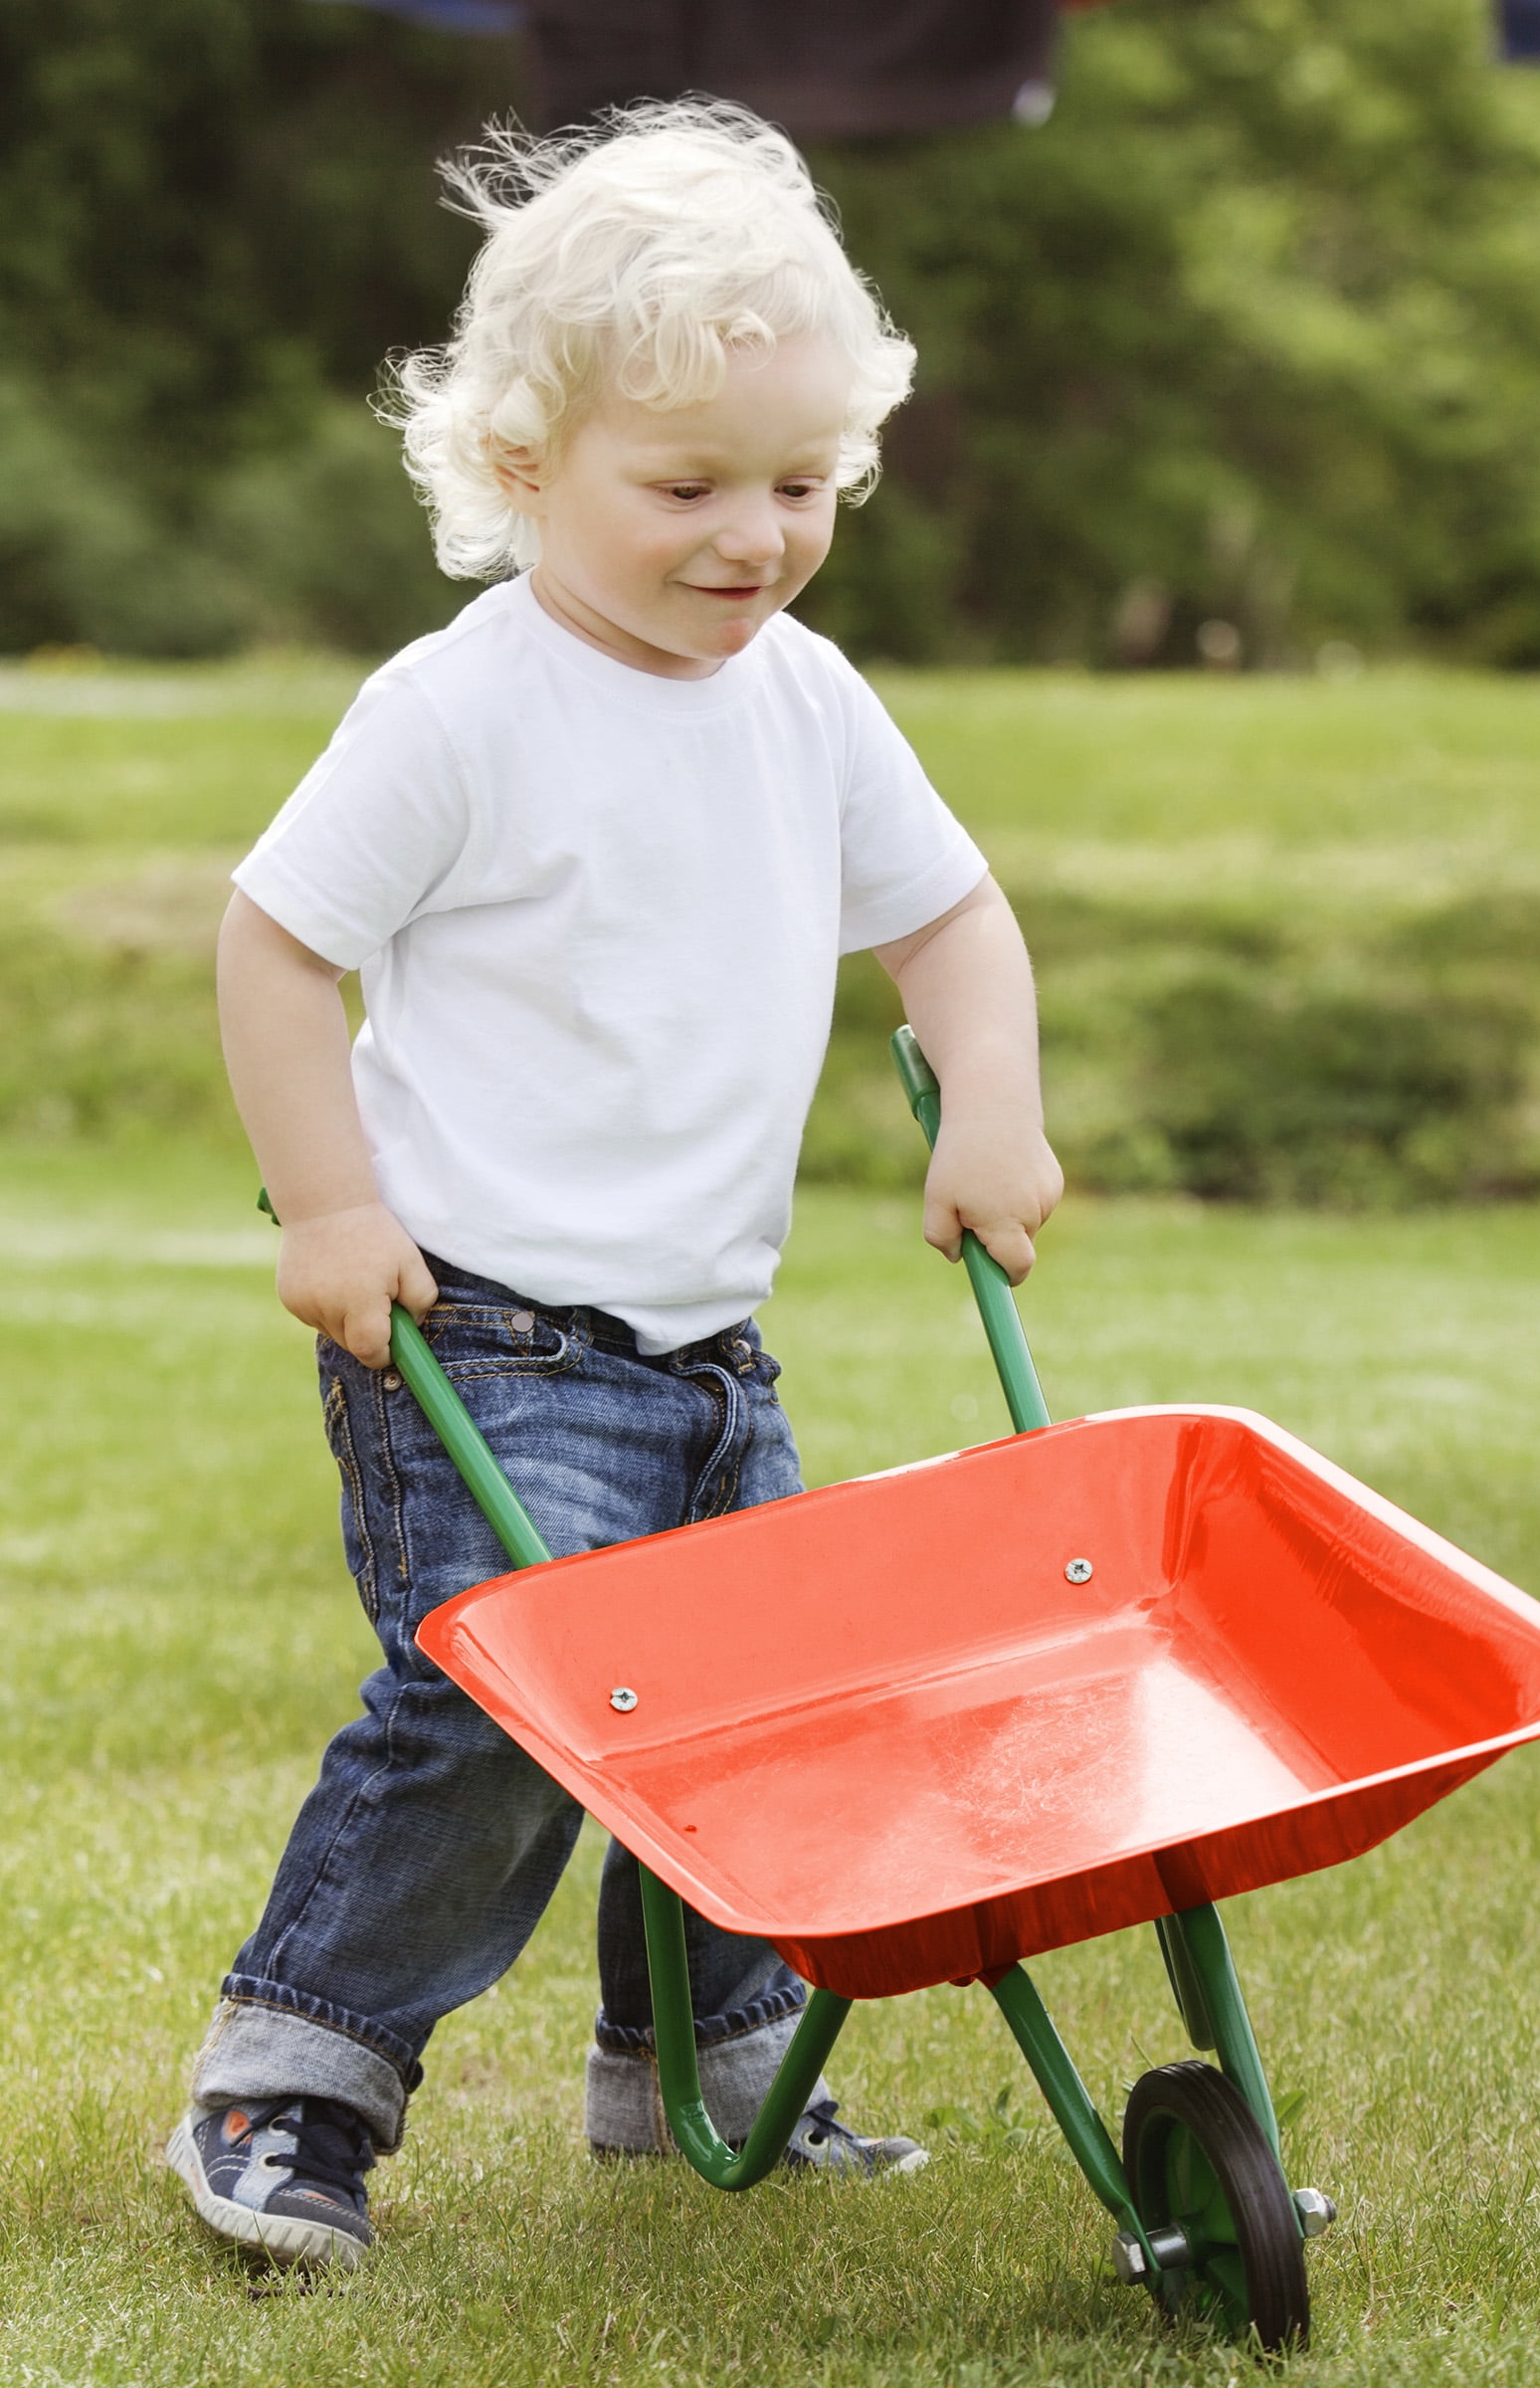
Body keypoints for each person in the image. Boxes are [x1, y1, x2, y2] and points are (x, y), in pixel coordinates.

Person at [173, 100, 1062, 2270]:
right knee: (506, 1704)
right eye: (687, 488)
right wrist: (326, 1205)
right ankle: (292, 2083)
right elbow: (277, 946)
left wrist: (991, 1102)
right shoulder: (460, 713)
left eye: (799, 485)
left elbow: (950, 922)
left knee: (754, 1710)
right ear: (518, 470)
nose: (751, 537)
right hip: (478, 1328)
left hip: (702, 1339)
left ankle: (704, 2065)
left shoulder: (810, 703)